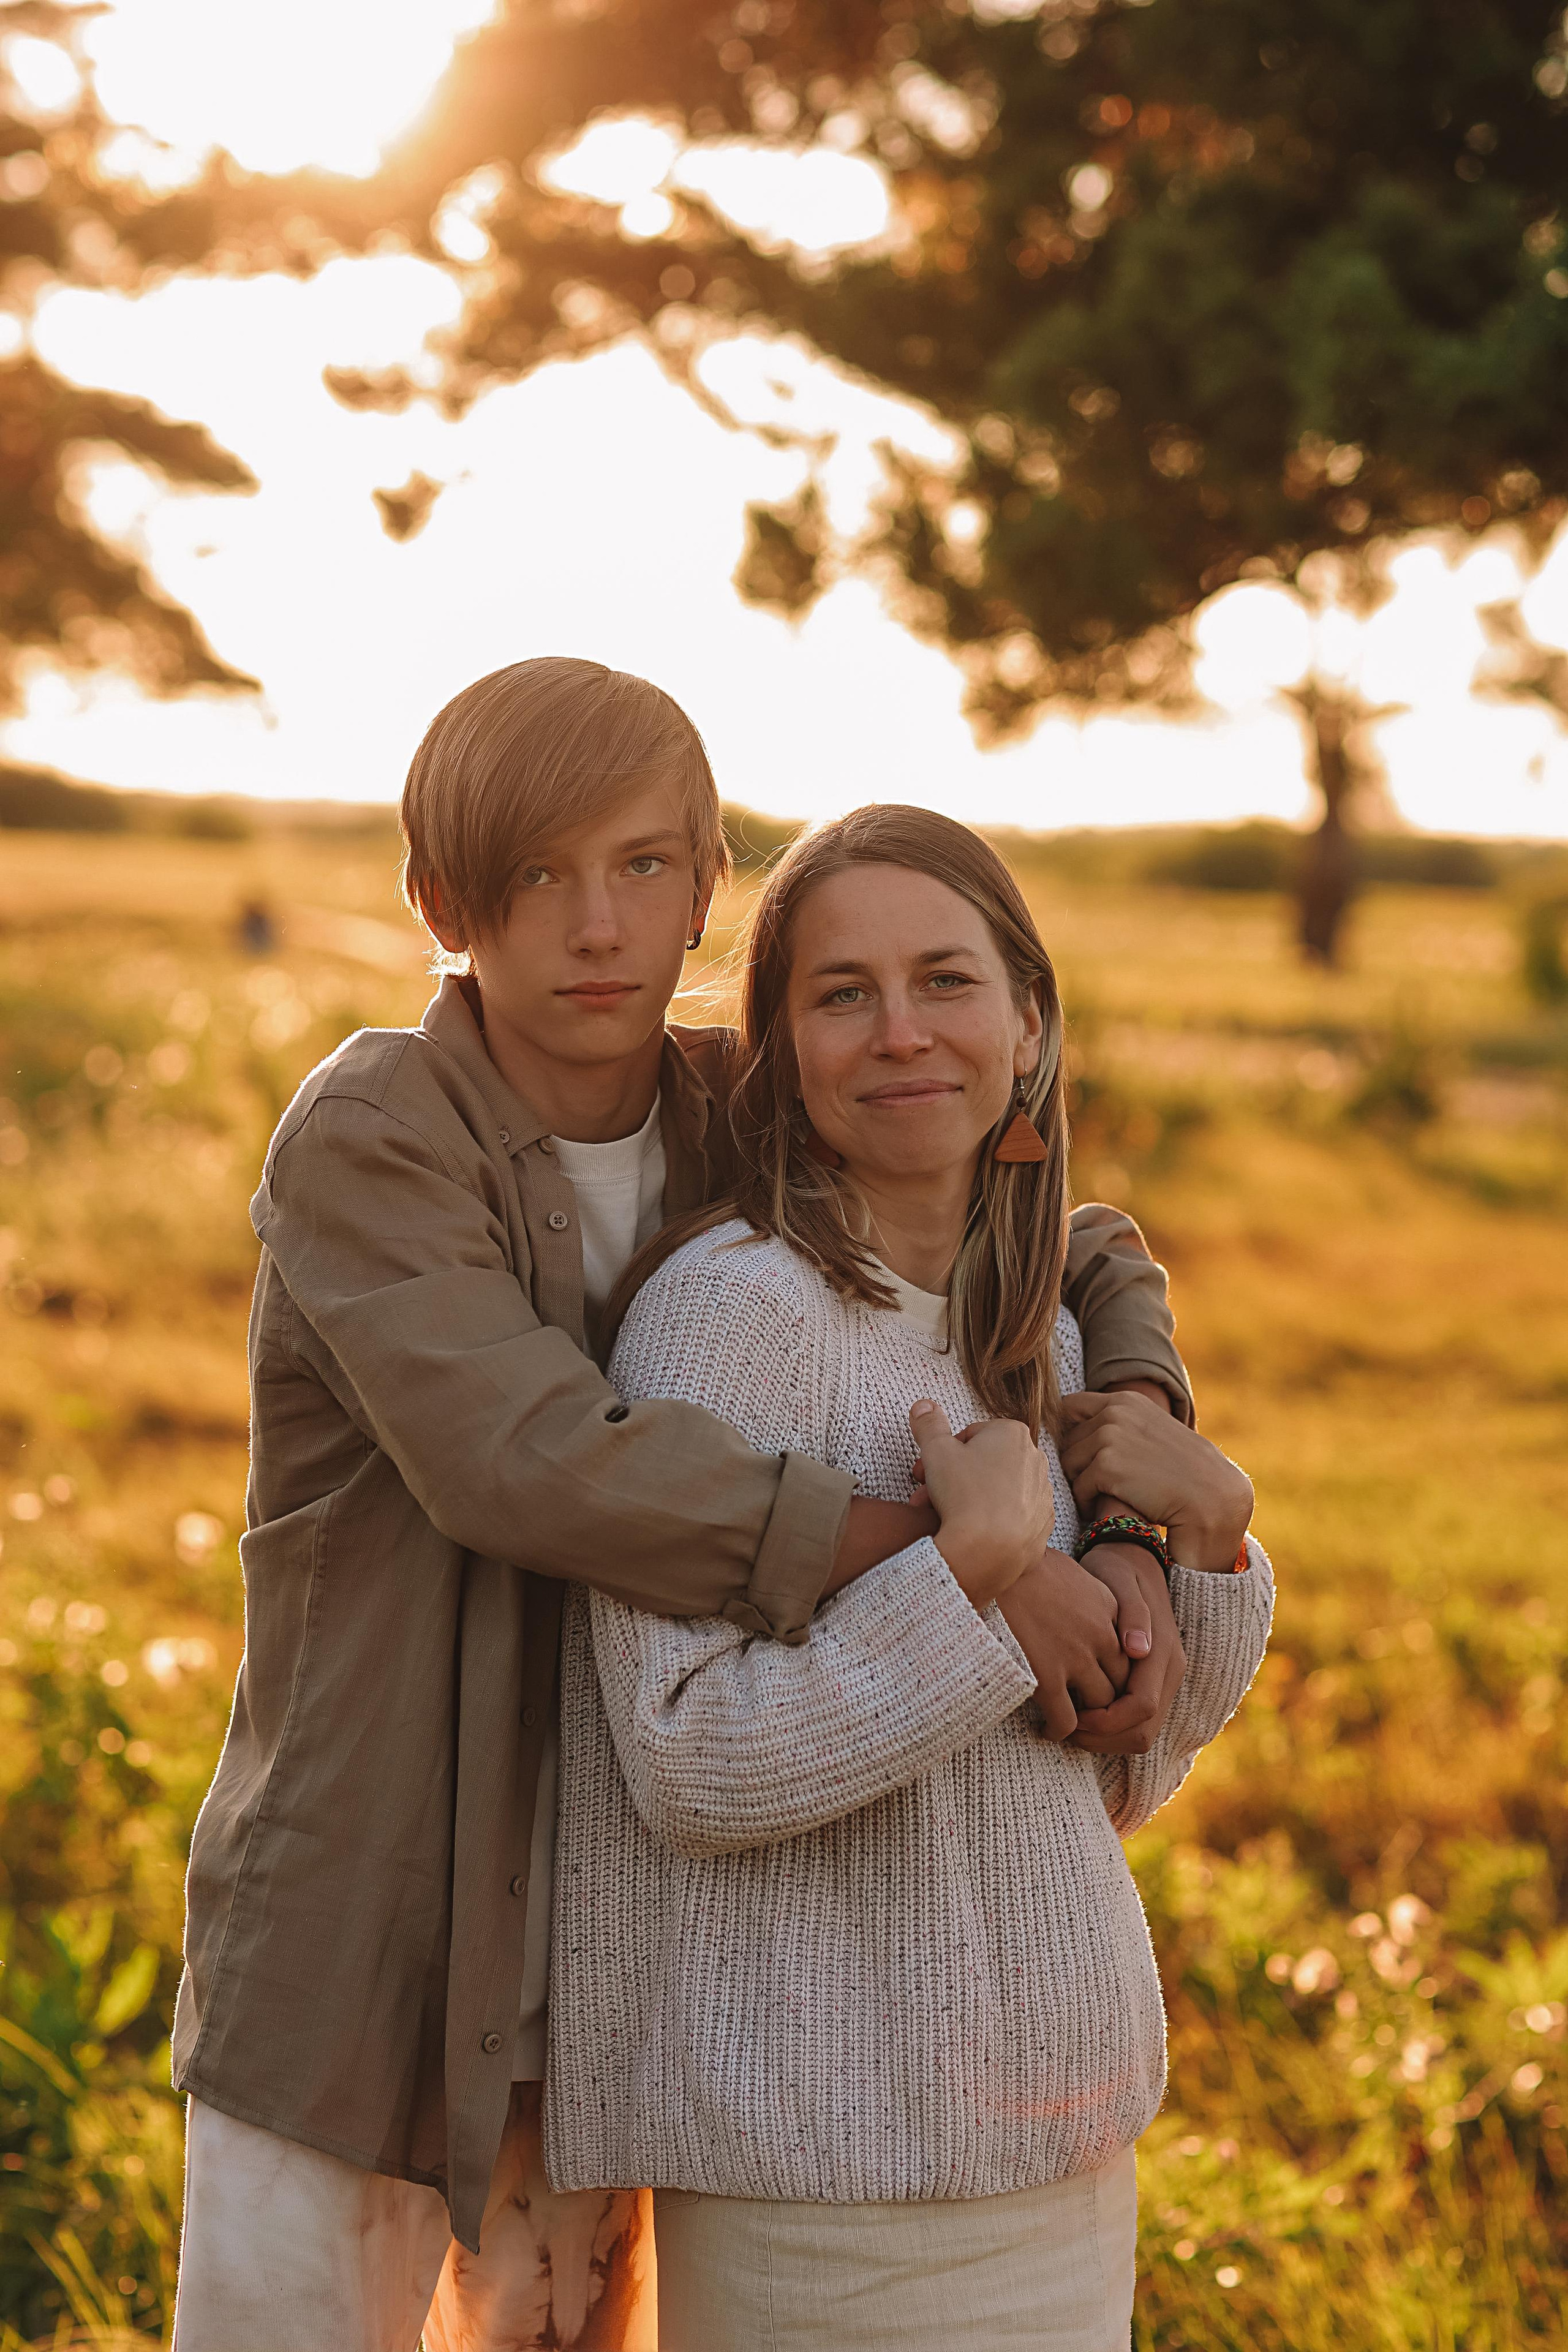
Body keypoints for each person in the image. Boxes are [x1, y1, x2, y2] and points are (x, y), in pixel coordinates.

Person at [170, 661, 1195, 2352]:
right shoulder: (376, 1133)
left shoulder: (741, 1107)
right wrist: (966, 1562)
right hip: (374, 1942)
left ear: (711, 880)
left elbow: (1070, 1228)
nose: (596, 927)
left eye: (644, 866)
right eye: (532, 877)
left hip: (622, 1977)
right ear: (441, 903)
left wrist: (1141, 1447)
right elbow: (528, 1459)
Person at [548, 804, 1273, 2351]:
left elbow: (1099, 1786)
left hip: (1059, 2151)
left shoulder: (1043, 1338)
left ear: (1028, 1021)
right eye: (840, 993)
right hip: (813, 2180)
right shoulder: (724, 1320)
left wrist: (1205, 1555)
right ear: (781, 1048)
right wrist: (966, 1575)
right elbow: (683, 1762)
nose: (900, 1034)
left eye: (944, 981)